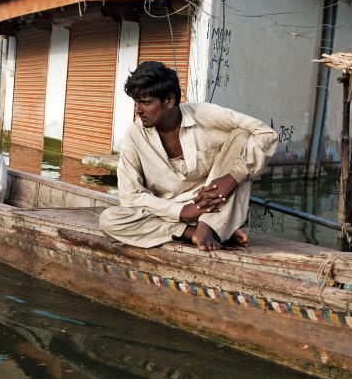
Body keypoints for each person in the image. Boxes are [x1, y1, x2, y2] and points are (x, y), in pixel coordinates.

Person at [99, 61, 277, 251]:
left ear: (169, 100)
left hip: (213, 205)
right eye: (136, 102)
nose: (138, 110)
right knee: (109, 220)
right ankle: (192, 233)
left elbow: (266, 133)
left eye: (146, 102)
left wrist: (233, 177)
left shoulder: (205, 115)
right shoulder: (135, 134)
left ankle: (209, 226)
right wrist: (182, 211)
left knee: (242, 135)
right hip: (169, 213)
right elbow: (130, 195)